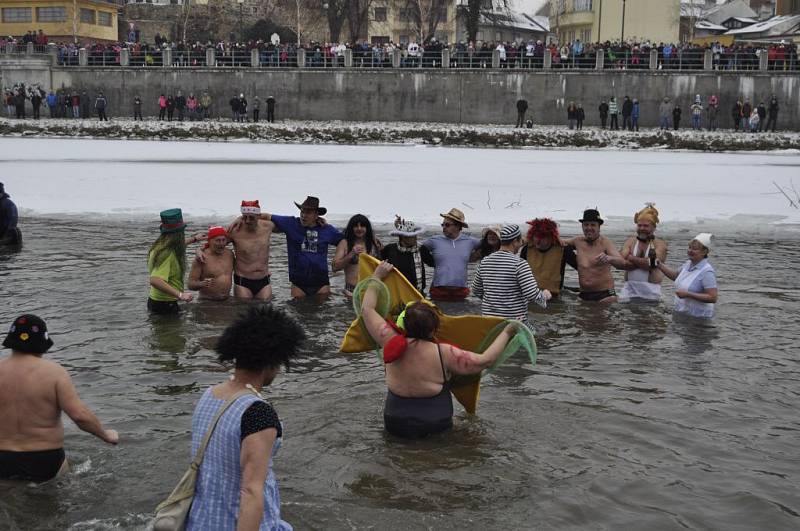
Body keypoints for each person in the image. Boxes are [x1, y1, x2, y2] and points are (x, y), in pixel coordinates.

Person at [361, 262, 520, 439]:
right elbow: (486, 360)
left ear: (403, 323)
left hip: (394, 421)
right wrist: (507, 332)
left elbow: (367, 309)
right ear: (433, 329)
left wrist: (376, 276)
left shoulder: (387, 338)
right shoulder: (444, 353)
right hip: (434, 423)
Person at [185, 305, 303, 530]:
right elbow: (250, 491)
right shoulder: (258, 412)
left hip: (200, 521)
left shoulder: (208, 394)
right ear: (273, 361)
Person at [0, 314, 118, 482]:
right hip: (45, 458)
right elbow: (79, 415)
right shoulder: (54, 373)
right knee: (51, 504)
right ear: (42, 343)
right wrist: (106, 435)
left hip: (3, 458)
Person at [248, 196, 343, 298]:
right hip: (298, 284)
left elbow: (344, 240)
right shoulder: (291, 224)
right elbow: (266, 216)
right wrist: (244, 217)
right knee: (296, 310)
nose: (303, 215)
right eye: (302, 212)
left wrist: (337, 258)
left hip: (321, 283)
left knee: (324, 311)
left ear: (316, 215)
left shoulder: (327, 229)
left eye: (308, 213)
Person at [472, 224, 551, 325]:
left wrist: (494, 300)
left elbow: (475, 289)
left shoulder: (485, 261)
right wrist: (545, 296)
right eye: (520, 241)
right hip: (513, 324)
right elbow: (531, 294)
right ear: (515, 242)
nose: (521, 244)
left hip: (488, 321)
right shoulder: (519, 264)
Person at [148, 208, 204, 314]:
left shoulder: (161, 245)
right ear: (178, 234)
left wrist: (195, 239)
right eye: (182, 231)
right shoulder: (167, 253)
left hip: (157, 300)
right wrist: (180, 295)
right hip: (164, 304)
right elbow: (155, 280)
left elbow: (180, 244)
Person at [565, 209, 627, 303]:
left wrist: (610, 258)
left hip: (605, 295)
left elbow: (622, 263)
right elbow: (559, 243)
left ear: (599, 227)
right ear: (582, 226)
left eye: (593, 225)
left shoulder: (605, 243)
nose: (589, 228)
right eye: (586, 225)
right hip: (584, 295)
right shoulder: (578, 241)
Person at [421, 208, 481, 301]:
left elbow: (488, 247)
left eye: (447, 225)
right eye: (443, 224)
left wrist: (474, 257)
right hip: (438, 291)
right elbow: (415, 248)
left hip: (461, 291)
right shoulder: (434, 241)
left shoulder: (470, 241)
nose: (444, 227)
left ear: (458, 226)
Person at [657, 233, 718, 319]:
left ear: (705, 252)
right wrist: (659, 265)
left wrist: (688, 294)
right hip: (683, 314)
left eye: (695, 249)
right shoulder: (688, 264)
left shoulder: (707, 272)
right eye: (689, 247)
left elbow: (713, 297)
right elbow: (676, 276)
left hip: (699, 319)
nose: (690, 251)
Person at [618, 203, 668, 302]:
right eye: (639, 225)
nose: (642, 229)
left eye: (646, 226)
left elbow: (652, 264)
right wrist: (642, 262)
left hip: (651, 292)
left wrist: (631, 258)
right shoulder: (631, 241)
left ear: (654, 227)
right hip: (629, 290)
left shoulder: (660, 244)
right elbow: (620, 262)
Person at [520, 218, 576, 299]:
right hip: (531, 296)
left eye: (542, 236)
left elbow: (581, 268)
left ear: (551, 237)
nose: (538, 240)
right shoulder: (527, 249)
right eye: (536, 236)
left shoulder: (563, 250)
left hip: (554, 298)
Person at [332, 214, 382, 297]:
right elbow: (334, 267)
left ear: (367, 228)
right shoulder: (344, 244)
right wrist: (351, 254)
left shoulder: (375, 243)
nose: (359, 229)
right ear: (351, 228)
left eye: (362, 226)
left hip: (372, 289)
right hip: (351, 291)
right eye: (356, 226)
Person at [380, 217, 431, 294]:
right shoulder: (390, 249)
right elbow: (376, 261)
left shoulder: (421, 249)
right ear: (401, 237)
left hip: (417, 293)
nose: (414, 238)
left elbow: (433, 263)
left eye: (414, 235)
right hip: (395, 293)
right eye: (409, 236)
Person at [188, 226, 234, 300]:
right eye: (218, 240)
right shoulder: (201, 258)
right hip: (207, 302)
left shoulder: (230, 254)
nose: (221, 243)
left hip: (227, 300)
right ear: (209, 241)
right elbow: (190, 284)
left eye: (223, 240)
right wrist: (201, 284)